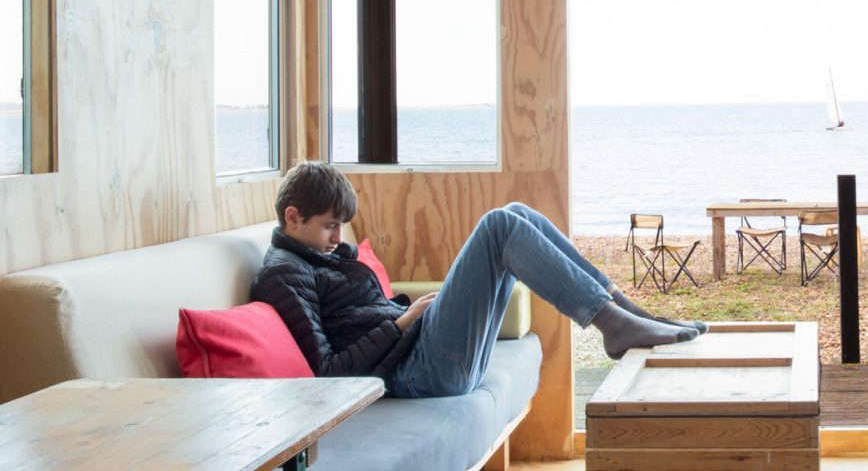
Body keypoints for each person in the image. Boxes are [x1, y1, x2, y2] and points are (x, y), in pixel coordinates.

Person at [253, 161, 704, 398]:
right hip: (418, 373)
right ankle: (614, 324)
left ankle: (625, 313)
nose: (338, 237)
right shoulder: (284, 276)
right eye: (330, 226)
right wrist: (403, 321)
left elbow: (354, 312)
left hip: (421, 349)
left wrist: (404, 315)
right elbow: (327, 372)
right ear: (293, 217)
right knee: (498, 226)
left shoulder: (314, 255)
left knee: (515, 214)